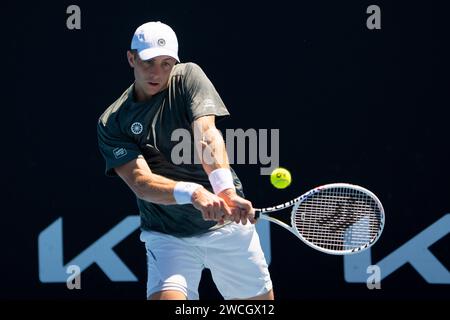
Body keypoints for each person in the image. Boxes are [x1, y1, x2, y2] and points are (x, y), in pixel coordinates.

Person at [97, 21, 273, 300]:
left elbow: (206, 135)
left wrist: (225, 191)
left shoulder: (189, 76)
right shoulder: (113, 122)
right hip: (168, 234)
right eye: (149, 62)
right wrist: (193, 193)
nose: (158, 72)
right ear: (131, 58)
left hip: (228, 227)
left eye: (167, 63)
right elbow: (140, 182)